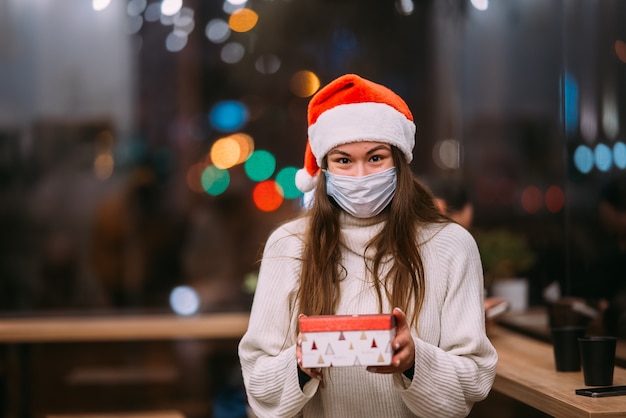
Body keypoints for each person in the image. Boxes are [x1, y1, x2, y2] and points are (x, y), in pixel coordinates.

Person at [238, 74, 497, 417]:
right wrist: (299, 363)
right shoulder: (289, 246)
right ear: (324, 168)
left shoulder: (450, 245)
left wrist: (414, 360)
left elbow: (473, 381)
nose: (361, 176)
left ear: (399, 161)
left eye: (375, 158)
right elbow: (258, 381)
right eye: (343, 160)